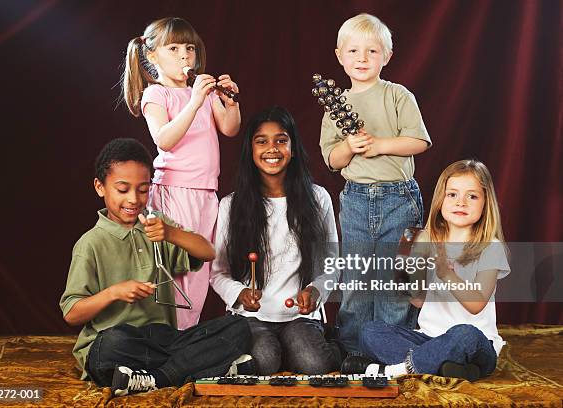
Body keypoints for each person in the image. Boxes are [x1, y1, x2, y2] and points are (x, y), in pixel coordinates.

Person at [60, 138, 252, 396]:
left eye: (142, 189)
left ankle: (155, 378)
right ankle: (194, 368)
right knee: (110, 345)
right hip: (119, 343)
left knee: (239, 328)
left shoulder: (155, 225)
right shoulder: (90, 244)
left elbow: (207, 252)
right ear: (100, 187)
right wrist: (114, 292)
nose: (133, 199)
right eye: (122, 189)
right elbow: (72, 313)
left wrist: (170, 233)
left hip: (162, 337)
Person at [318, 13, 432, 361]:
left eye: (372, 51)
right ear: (340, 56)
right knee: (357, 278)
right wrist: (349, 146)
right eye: (353, 51)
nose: (362, 59)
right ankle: (353, 349)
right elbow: (331, 159)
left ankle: (391, 350)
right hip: (355, 200)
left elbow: (419, 141)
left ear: (387, 56)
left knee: (393, 281)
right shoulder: (336, 106)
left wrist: (380, 144)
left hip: (398, 198)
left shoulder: (398, 95)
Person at [122, 17, 241, 329]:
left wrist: (230, 102)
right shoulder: (156, 95)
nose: (184, 56)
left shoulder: (204, 92)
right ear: (152, 56)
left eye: (189, 48)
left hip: (205, 193)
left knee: (201, 269)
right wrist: (195, 101)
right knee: (176, 271)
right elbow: (164, 139)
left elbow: (230, 128)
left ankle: (186, 337)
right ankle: (170, 337)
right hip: (175, 192)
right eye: (173, 48)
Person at [210, 106, 342, 375]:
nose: (272, 149)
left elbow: (332, 266)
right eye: (262, 141)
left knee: (315, 363)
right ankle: (279, 349)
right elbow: (218, 272)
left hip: (300, 317)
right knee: (264, 360)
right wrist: (239, 294)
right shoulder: (230, 205)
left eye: (281, 140)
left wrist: (315, 291)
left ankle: (315, 346)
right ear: (251, 150)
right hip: (250, 317)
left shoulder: (319, 199)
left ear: (293, 149)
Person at [355, 160, 510, 381]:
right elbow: (420, 301)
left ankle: (396, 370)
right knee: (370, 332)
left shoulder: (490, 247)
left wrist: (448, 275)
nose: (461, 203)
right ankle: (451, 368)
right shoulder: (429, 241)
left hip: (476, 344)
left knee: (465, 334)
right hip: (429, 339)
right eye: (452, 195)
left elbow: (476, 304)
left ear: (486, 203)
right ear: (441, 201)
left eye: (472, 196)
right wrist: (406, 278)